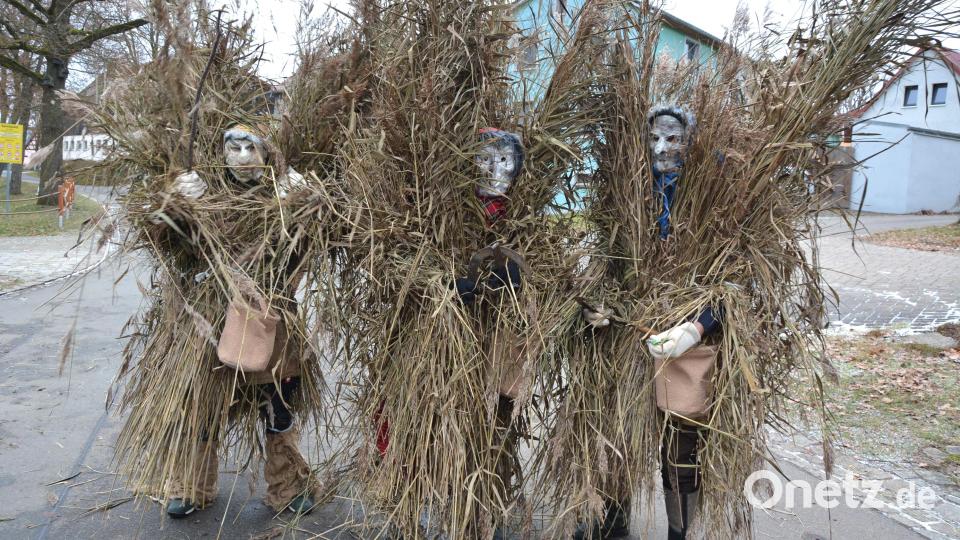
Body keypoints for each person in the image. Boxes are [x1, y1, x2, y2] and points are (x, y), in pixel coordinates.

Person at [160, 124, 319, 518]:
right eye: (235, 148)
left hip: (271, 318)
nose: (244, 157)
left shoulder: (282, 198)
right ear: (222, 152)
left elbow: (312, 247)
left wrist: (303, 205)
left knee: (278, 406)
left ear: (267, 155)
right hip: (210, 319)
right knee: (201, 403)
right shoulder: (205, 195)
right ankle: (191, 485)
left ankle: (288, 487)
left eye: (253, 148)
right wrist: (176, 204)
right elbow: (167, 244)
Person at [576, 106, 716, 540]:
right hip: (629, 335)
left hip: (687, 344)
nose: (661, 148)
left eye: (672, 139)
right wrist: (594, 305)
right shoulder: (629, 195)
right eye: (654, 138)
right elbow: (603, 262)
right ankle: (612, 523)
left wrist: (698, 326)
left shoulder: (715, 196)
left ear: (689, 141)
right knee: (617, 427)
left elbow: (737, 283)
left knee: (681, 447)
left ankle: (679, 533)